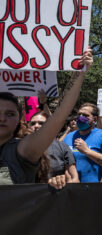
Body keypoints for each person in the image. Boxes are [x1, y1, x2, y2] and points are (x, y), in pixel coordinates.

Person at [0, 49, 93, 185]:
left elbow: (59, 116)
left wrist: (79, 72)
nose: (2, 118)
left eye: (10, 114)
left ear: (19, 120)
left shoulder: (22, 149)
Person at [63, 103, 102, 182]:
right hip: (71, 187)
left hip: (95, 188)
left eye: (85, 115)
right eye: (79, 114)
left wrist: (87, 151)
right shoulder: (69, 137)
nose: (80, 117)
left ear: (94, 119)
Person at [28, 111, 79, 183]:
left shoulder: (62, 146)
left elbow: (74, 178)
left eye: (41, 123)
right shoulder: (19, 146)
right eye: (33, 123)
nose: (36, 126)